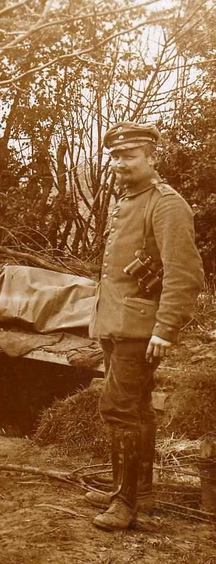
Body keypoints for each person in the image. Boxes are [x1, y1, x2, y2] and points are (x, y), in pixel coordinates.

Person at [87, 121, 203, 531]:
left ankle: (124, 504)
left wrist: (165, 328)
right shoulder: (128, 200)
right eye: (115, 156)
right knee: (136, 409)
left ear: (151, 157)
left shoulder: (166, 204)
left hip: (141, 329)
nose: (120, 163)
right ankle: (137, 492)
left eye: (129, 156)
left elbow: (183, 273)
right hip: (118, 323)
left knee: (118, 409)